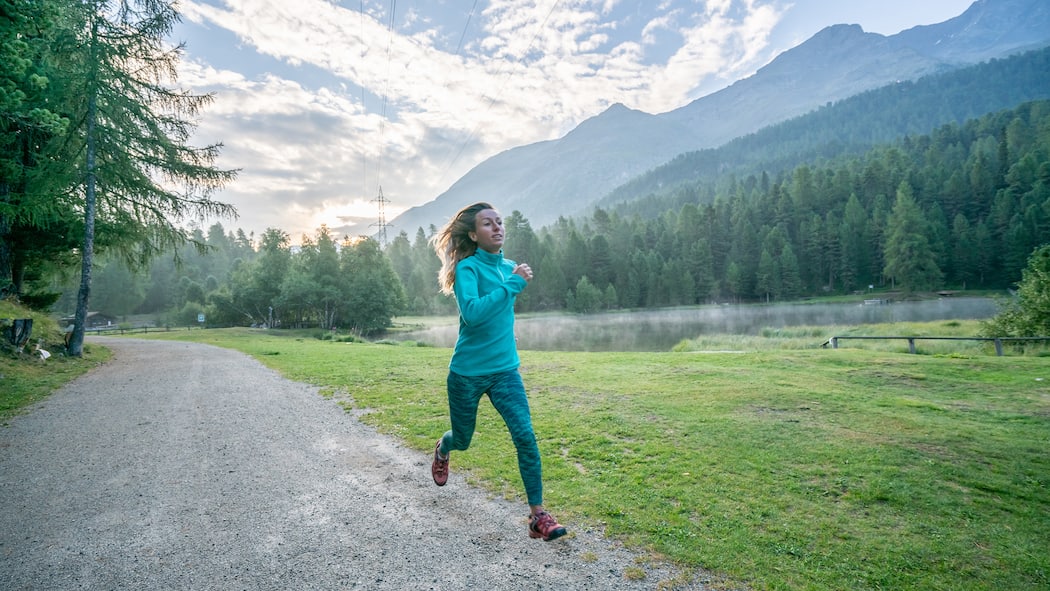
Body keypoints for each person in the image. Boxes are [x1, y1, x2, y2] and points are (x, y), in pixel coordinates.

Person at [429, 202, 567, 542]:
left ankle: (538, 516)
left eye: (500, 222)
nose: (497, 227)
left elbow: (502, 310)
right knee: (463, 439)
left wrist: (510, 328)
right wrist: (514, 285)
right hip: (467, 374)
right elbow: (474, 314)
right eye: (488, 224)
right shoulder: (468, 270)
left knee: (526, 436)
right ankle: (443, 449)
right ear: (474, 235)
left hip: (505, 371)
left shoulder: (508, 267)